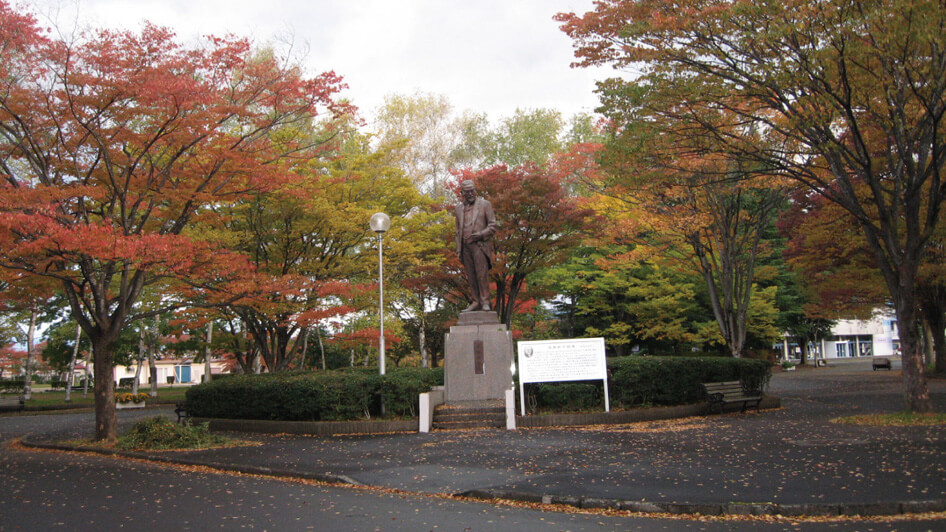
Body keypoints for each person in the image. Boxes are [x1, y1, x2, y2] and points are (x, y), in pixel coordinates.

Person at [455, 180, 497, 312]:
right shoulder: (459, 209)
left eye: (472, 190)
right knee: (471, 275)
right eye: (467, 191)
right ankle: (475, 301)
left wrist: (479, 235)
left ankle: (485, 301)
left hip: (479, 245)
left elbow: (492, 226)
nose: (470, 193)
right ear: (462, 193)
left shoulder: (485, 205)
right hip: (465, 246)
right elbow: (457, 231)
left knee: (481, 274)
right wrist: (458, 249)